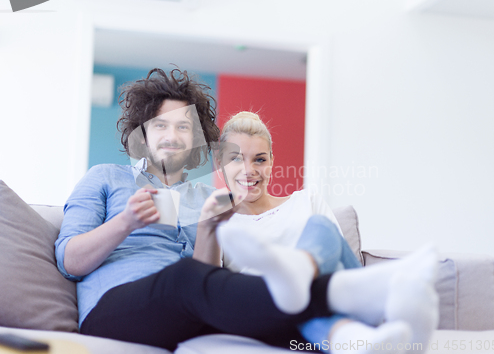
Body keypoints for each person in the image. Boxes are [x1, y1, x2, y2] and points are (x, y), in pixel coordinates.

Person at [55, 68, 437, 354]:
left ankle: (366, 335)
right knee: (183, 277)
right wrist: (126, 223)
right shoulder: (105, 177)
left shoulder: (202, 195)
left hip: (183, 315)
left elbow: (207, 280)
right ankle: (371, 288)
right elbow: (69, 259)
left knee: (282, 323)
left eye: (184, 128)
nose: (172, 136)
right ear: (142, 133)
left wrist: (208, 229)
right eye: (160, 126)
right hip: (114, 313)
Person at [194, 111, 439, 354]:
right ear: (219, 163)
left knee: (320, 229)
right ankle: (391, 306)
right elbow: (205, 292)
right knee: (300, 300)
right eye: (236, 159)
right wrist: (209, 224)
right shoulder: (219, 221)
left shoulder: (305, 200)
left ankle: (303, 276)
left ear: (271, 161)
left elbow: (340, 264)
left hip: (327, 291)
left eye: (259, 159)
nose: (249, 170)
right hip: (266, 308)